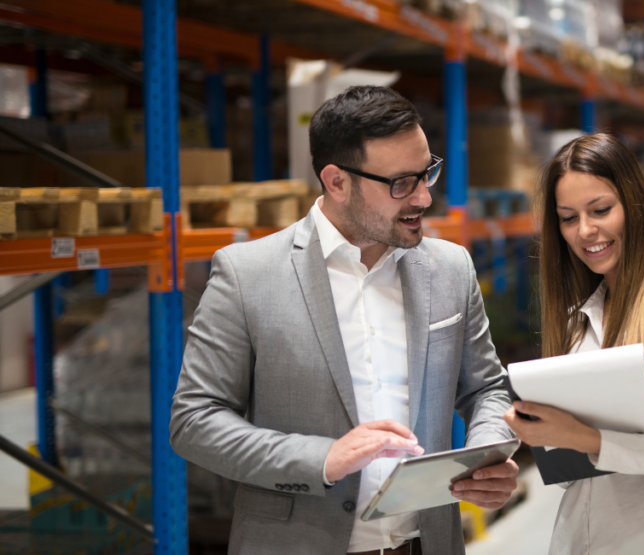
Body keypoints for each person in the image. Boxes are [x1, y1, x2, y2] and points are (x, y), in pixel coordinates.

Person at [170, 86, 519, 555]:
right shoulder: (247, 274)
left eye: (426, 173)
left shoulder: (449, 268)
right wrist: (324, 459)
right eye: (400, 183)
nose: (423, 198)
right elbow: (195, 420)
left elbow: (485, 389)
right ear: (337, 182)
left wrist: (486, 455)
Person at [503, 133, 644, 554]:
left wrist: (588, 438)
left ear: (635, 204)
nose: (585, 231)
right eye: (568, 217)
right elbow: (575, 467)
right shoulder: (582, 315)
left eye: (601, 210)